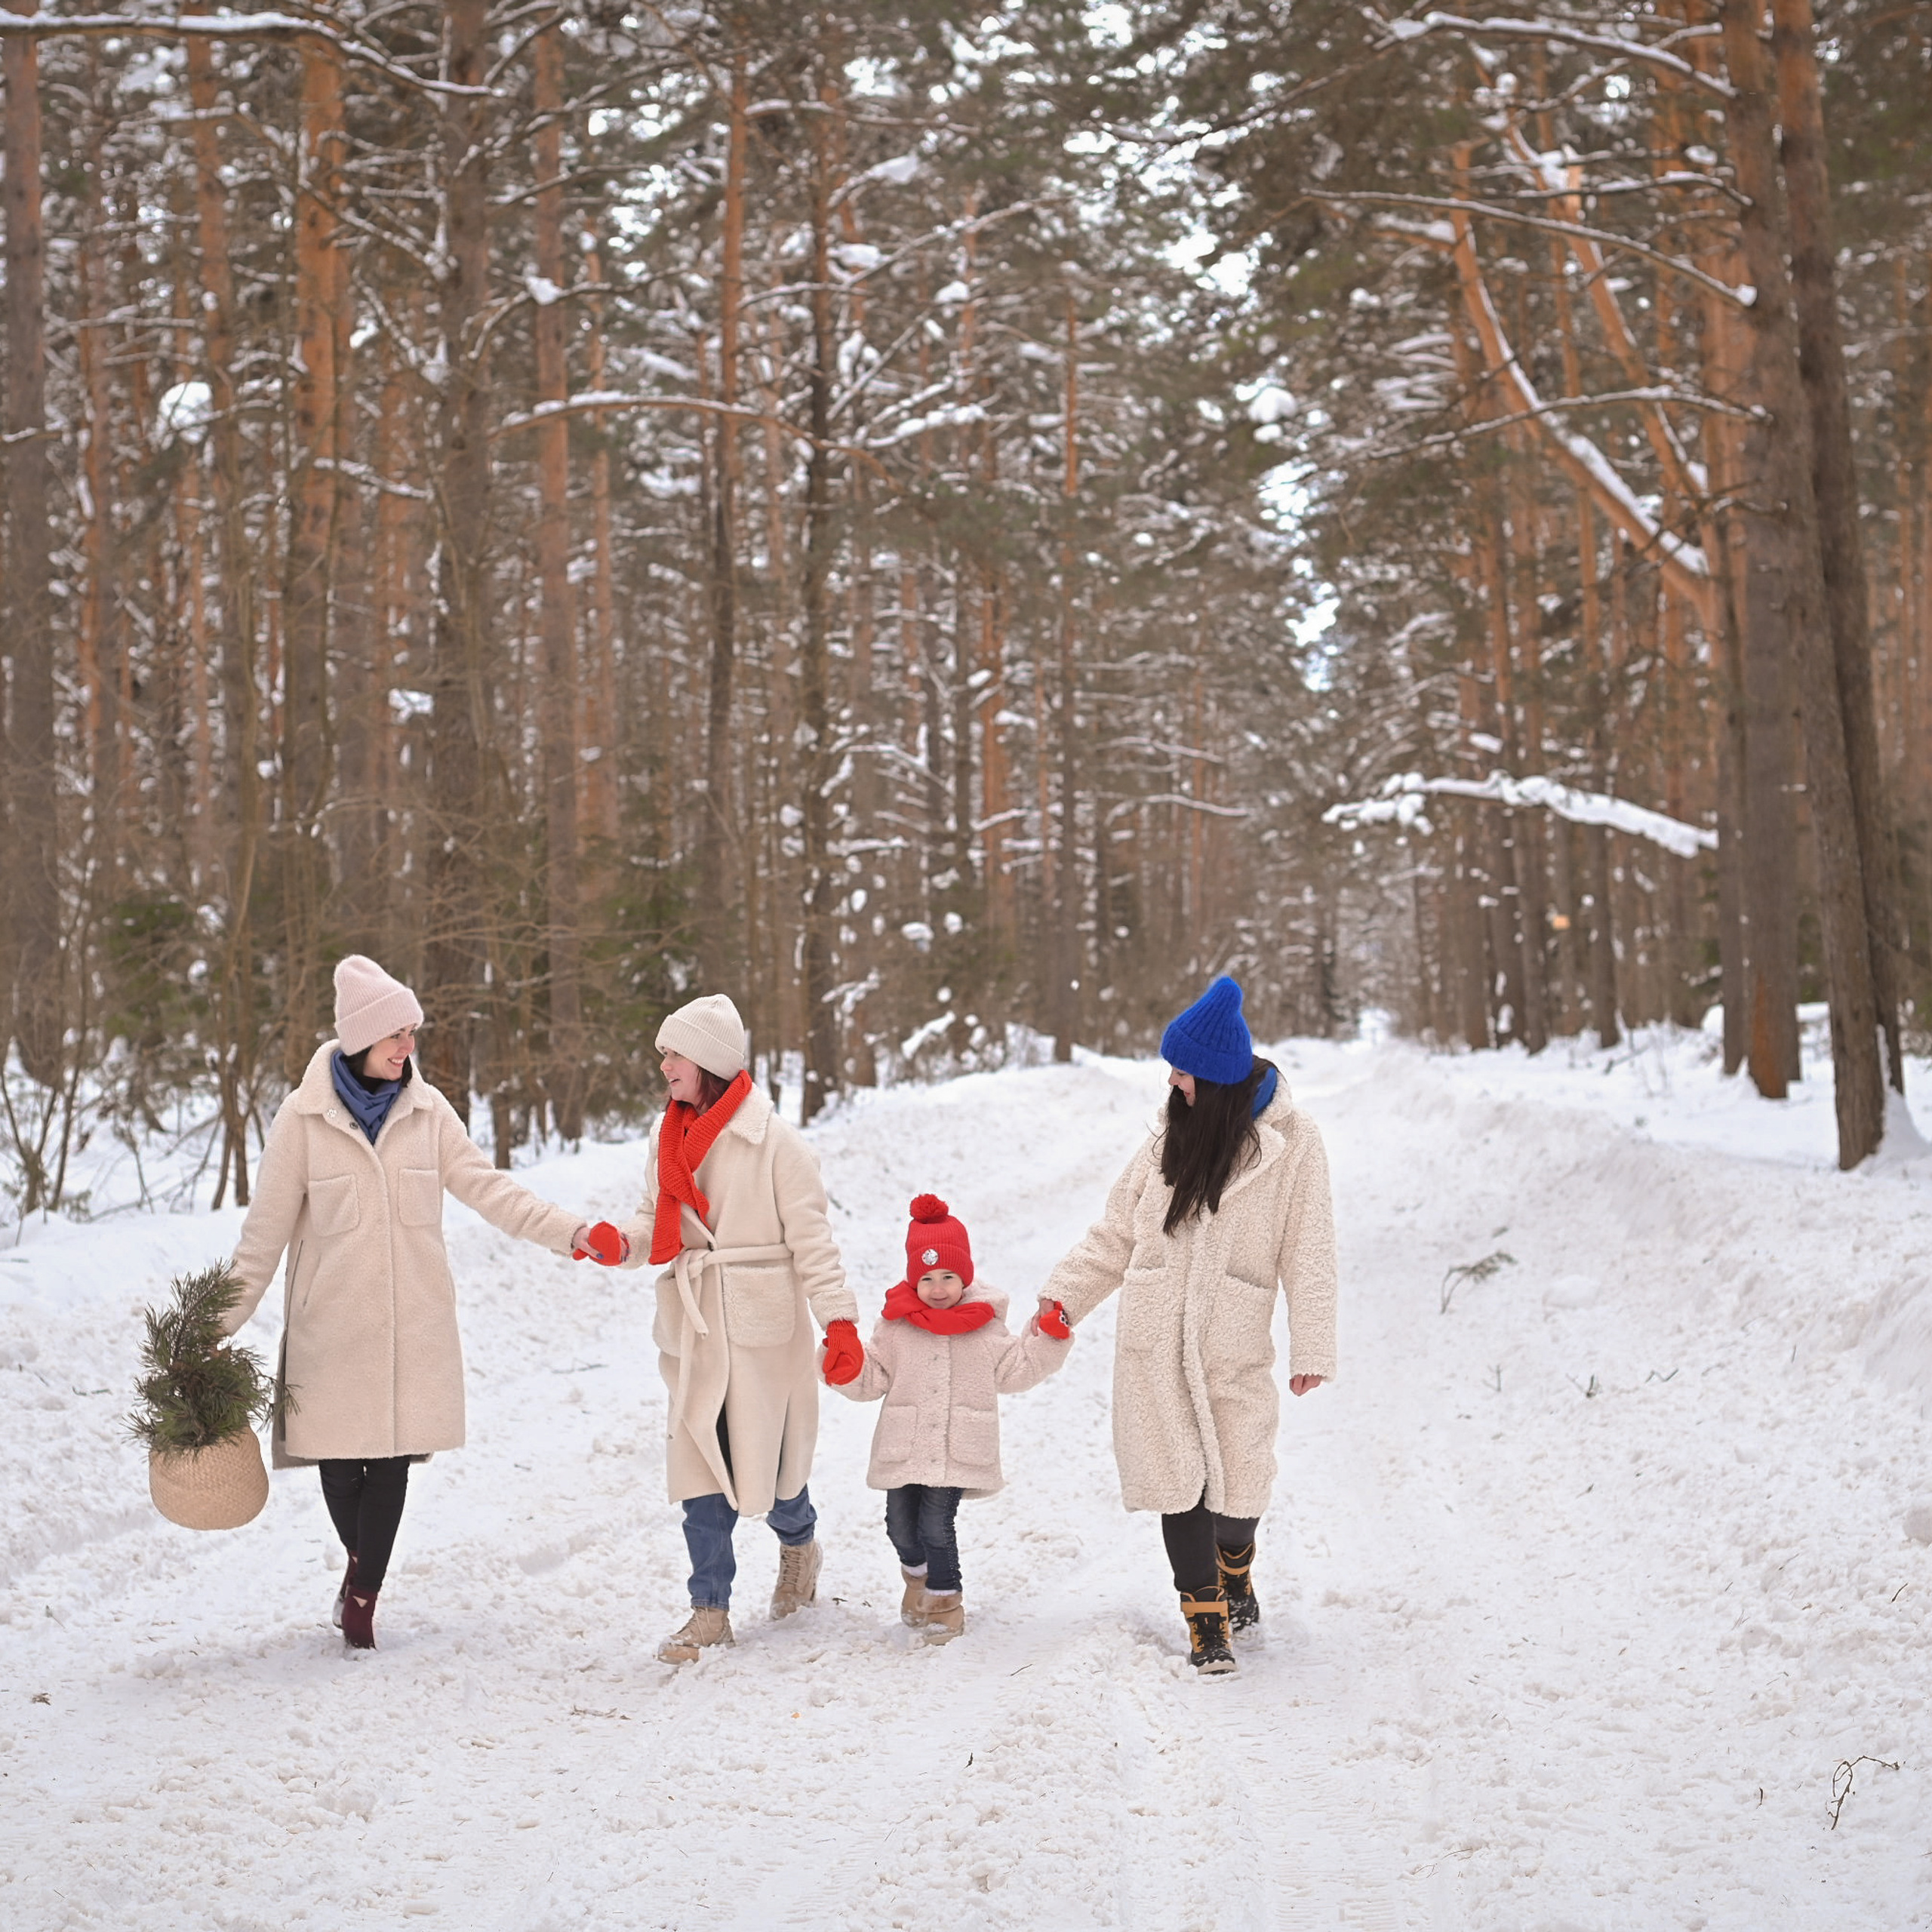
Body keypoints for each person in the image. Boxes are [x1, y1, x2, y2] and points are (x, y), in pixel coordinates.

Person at [223, 955, 592, 1650]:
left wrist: (569, 1233)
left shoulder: (428, 1113)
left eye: (413, 1033)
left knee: (390, 1462)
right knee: (339, 1464)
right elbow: (261, 1239)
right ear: (363, 1036)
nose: (409, 1048)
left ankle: (362, 1594)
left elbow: (491, 1190)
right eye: (399, 1035)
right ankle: (361, 1568)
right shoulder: (301, 1121)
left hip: (410, 1327)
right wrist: (214, 1325)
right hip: (329, 1330)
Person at [1038, 975, 1337, 1675]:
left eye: (1184, 1070)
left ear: (1221, 1078)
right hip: (1155, 1340)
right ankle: (1205, 1620)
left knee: (1240, 1485)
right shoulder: (1165, 1140)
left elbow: (1311, 1247)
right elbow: (1115, 1234)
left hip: (1231, 1340)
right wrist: (1065, 1299)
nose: (1172, 1081)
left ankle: (1237, 1566)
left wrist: (1313, 1342)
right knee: (1181, 1485)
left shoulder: (1293, 1144)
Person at [580, 993, 862, 1664]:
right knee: (701, 1468)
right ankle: (710, 1609)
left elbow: (815, 1245)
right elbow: (657, 1221)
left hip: (764, 1330)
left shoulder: (779, 1145)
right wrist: (622, 1243)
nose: (664, 1065)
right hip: (697, 1323)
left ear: (707, 1058)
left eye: (673, 1052)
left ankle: (801, 1546)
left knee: (778, 1478)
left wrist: (841, 1324)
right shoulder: (666, 1136)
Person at [829, 1195, 1072, 1644]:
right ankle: (918, 1582)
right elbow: (872, 1378)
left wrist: (1048, 1340)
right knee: (900, 1527)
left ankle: (945, 1601)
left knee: (936, 1525)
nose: (938, 1288)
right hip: (906, 1446)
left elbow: (1017, 1369)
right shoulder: (896, 1328)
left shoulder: (983, 1326)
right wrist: (843, 1366)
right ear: (912, 1279)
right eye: (926, 1278)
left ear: (965, 1276)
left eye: (948, 1277)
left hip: (959, 1445)